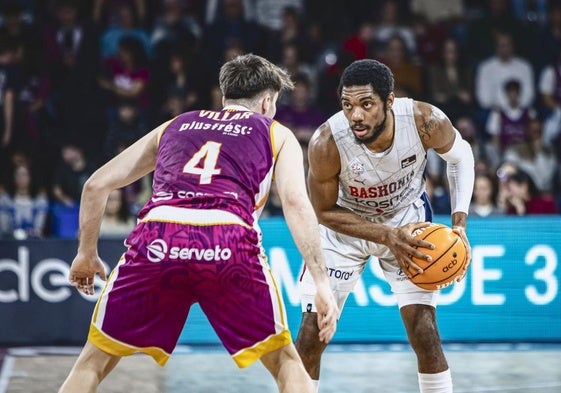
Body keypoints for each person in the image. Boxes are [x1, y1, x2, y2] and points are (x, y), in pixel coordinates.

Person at [58, 54, 338, 393]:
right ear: (266, 102)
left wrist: (86, 254)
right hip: (227, 238)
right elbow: (295, 202)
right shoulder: (277, 133)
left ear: (224, 98)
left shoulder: (175, 125)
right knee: (286, 363)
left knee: (93, 361)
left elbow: (95, 185)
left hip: (158, 237)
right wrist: (322, 282)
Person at [295, 59, 475, 393]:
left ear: (389, 101)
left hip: (406, 222)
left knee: (424, 331)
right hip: (344, 229)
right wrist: (384, 235)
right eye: (348, 106)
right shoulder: (327, 142)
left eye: (366, 104)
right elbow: (322, 211)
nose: (356, 116)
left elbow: (461, 158)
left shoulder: (425, 121)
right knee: (311, 334)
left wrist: (459, 224)